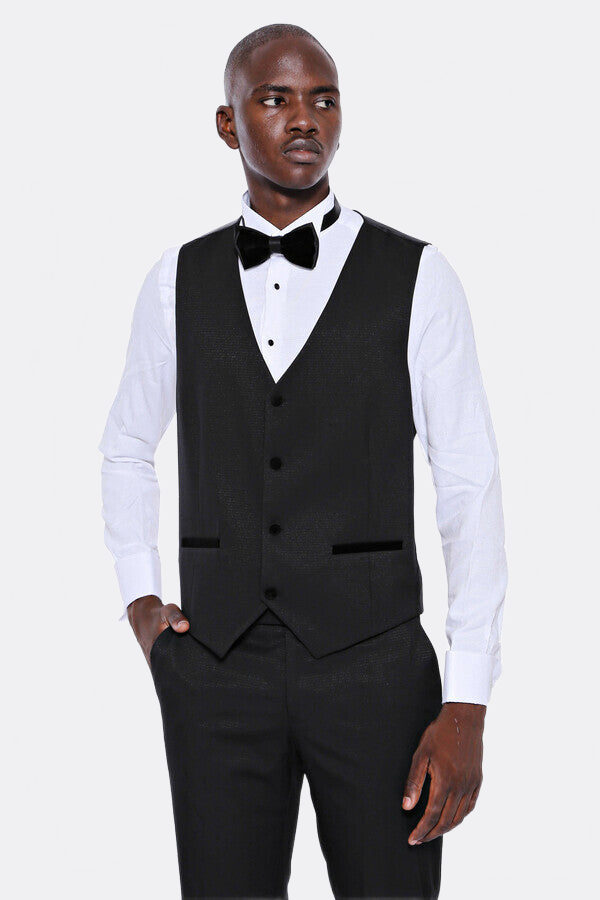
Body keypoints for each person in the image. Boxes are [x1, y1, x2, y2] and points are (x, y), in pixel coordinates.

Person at [99, 22, 508, 900]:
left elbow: (469, 486)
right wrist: (141, 603)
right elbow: (127, 445)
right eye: (275, 98)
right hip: (215, 669)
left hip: (377, 670)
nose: (304, 119)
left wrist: (468, 699)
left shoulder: (419, 276)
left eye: (323, 99)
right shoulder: (175, 281)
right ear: (228, 123)